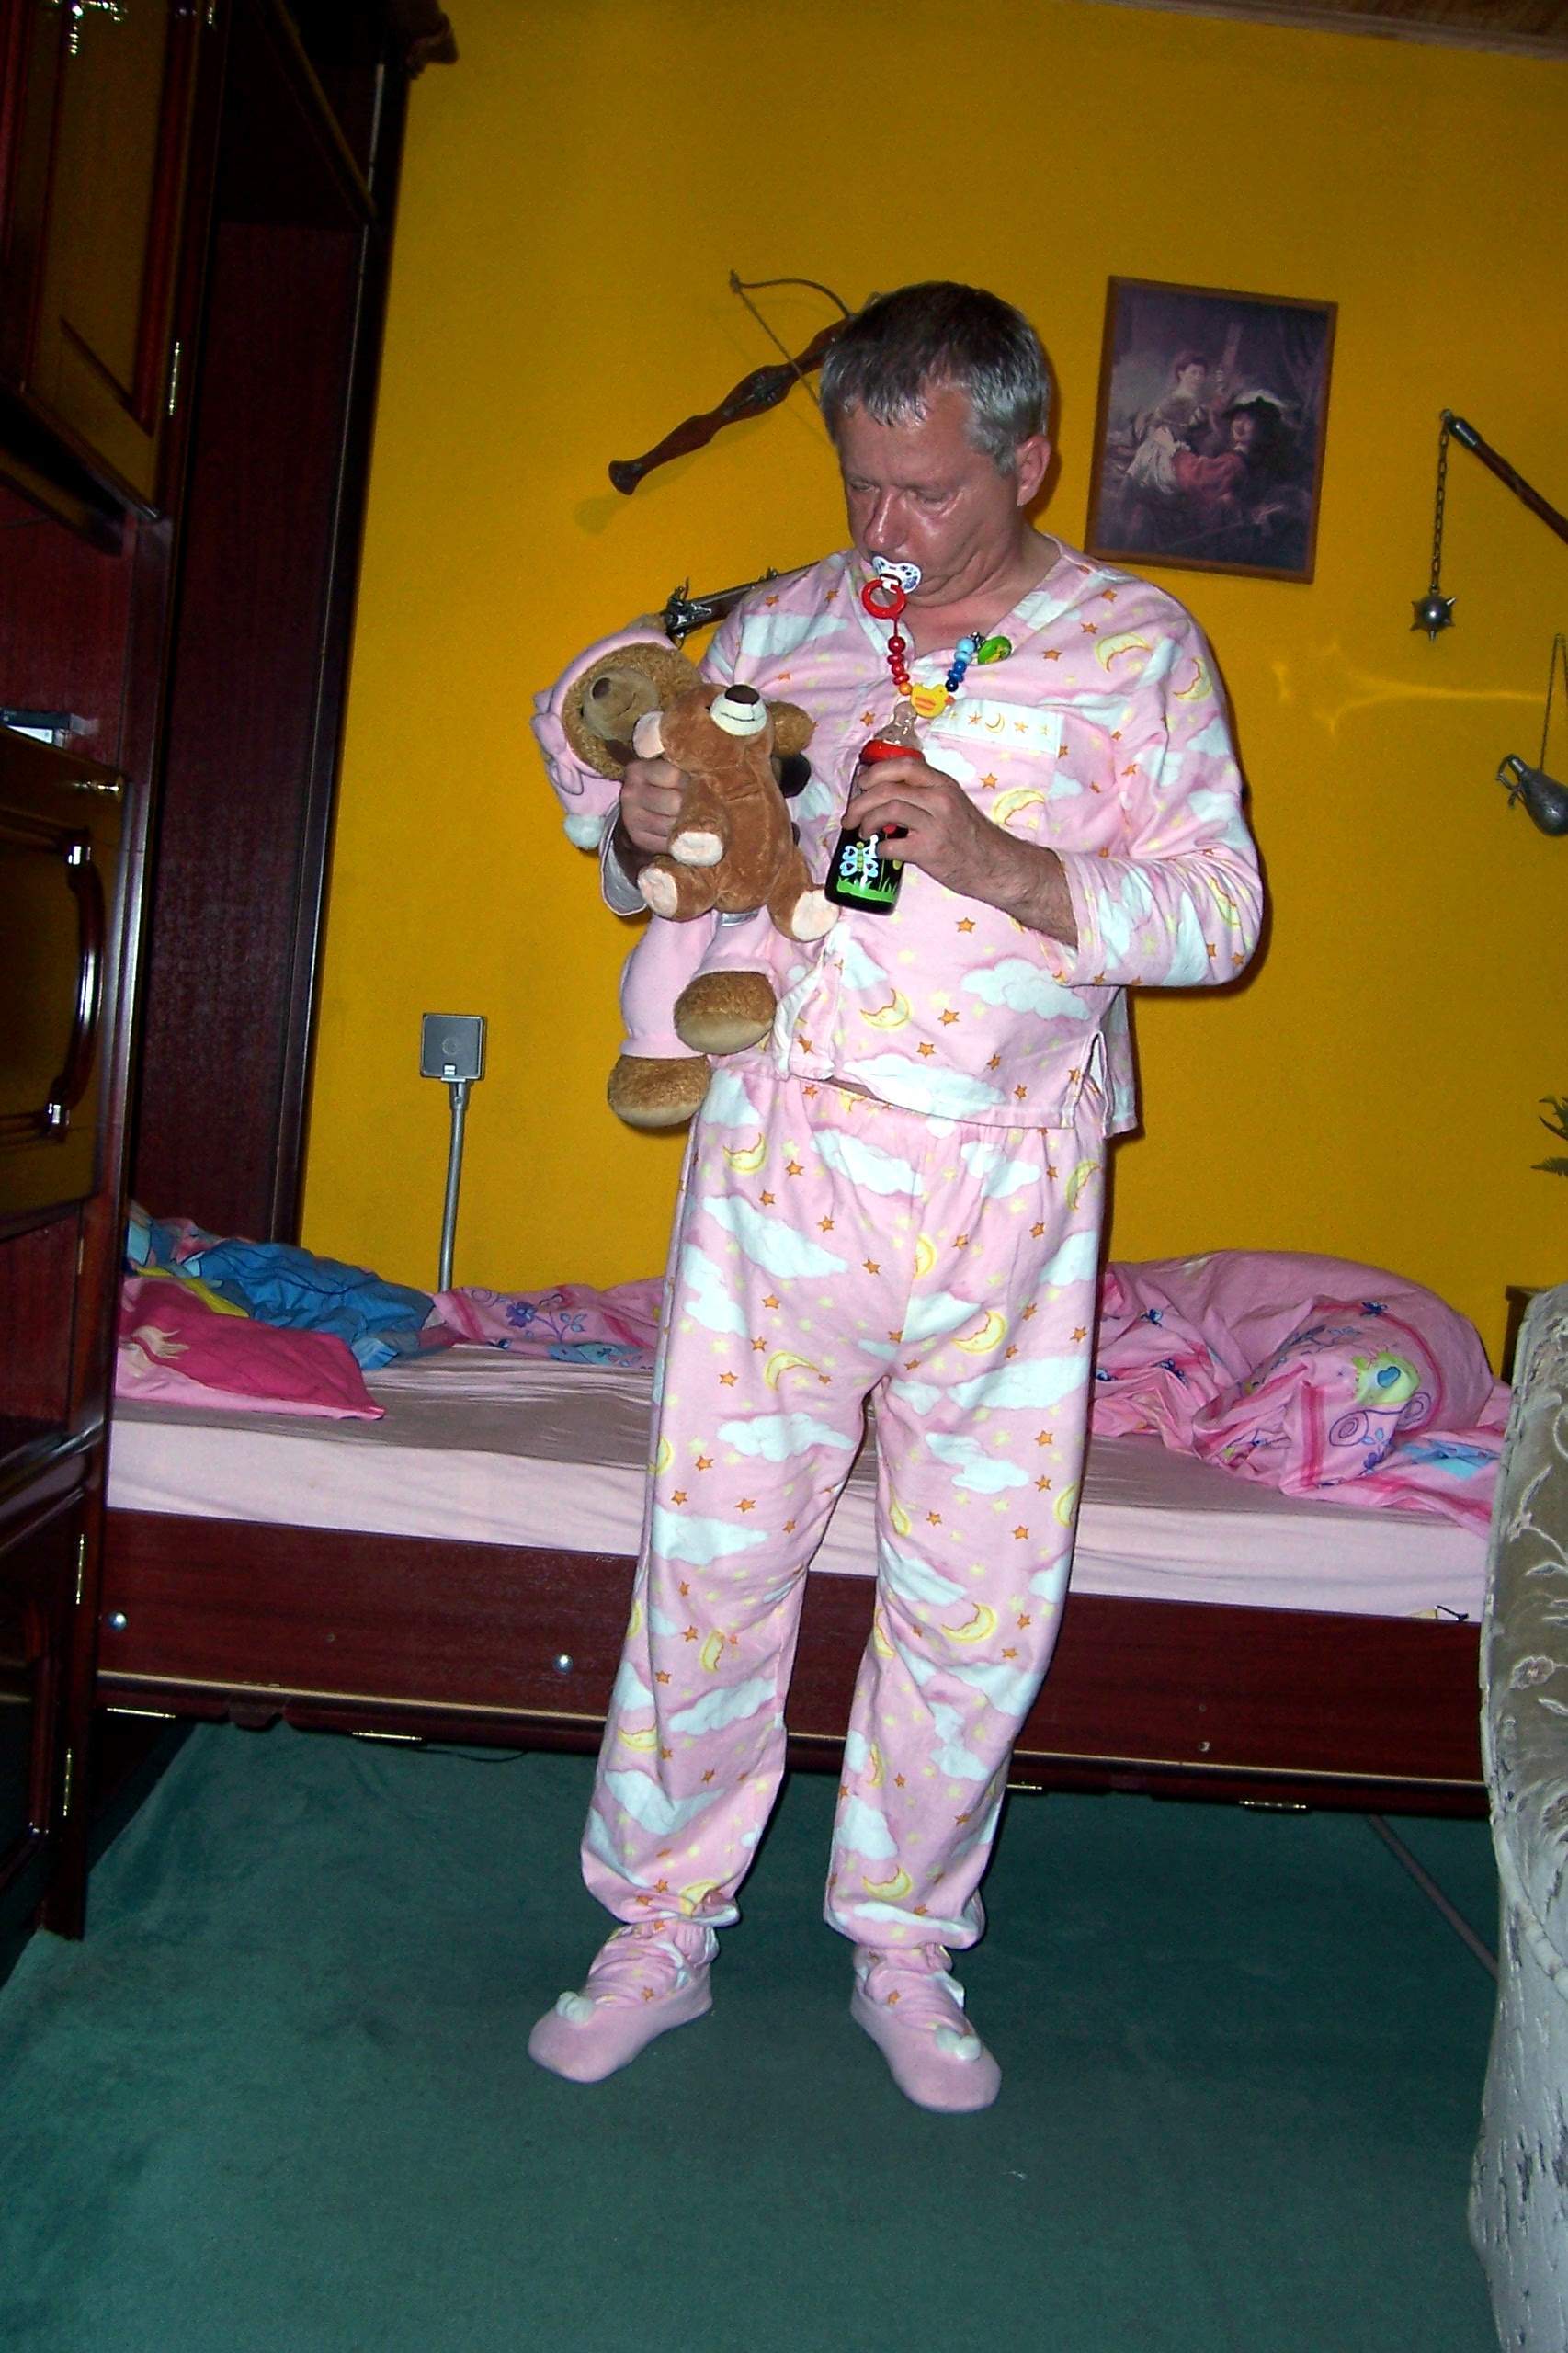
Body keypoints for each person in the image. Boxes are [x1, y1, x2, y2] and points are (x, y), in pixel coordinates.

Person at [528, 282, 1263, 2112]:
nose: (887, 525)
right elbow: (682, 852)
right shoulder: (786, 620)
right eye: (861, 481)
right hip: (781, 1155)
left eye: (929, 489)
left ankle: (906, 1943)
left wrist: (1010, 863)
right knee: (709, 1564)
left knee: (972, 1593)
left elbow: (1220, 915)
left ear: (1031, 459)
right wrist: (635, 826)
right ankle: (660, 1924)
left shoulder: (1137, 646)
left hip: (1006, 1178)